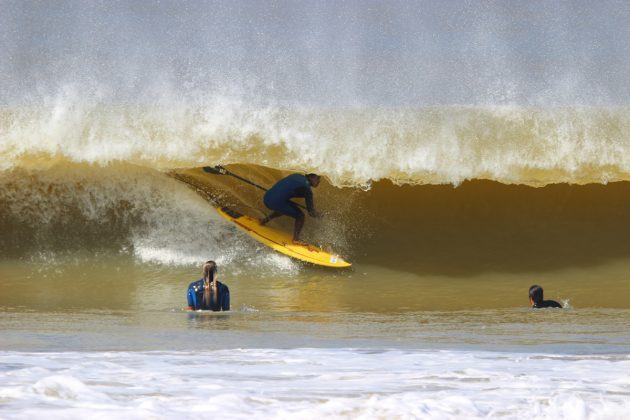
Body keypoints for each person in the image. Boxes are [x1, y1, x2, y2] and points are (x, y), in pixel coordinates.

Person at [259, 173, 322, 245]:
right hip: (275, 202)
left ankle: (264, 221)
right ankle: (296, 239)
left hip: (267, 197)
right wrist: (320, 215)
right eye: (318, 178)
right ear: (311, 177)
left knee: (285, 207)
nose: (319, 181)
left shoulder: (296, 175)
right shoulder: (307, 190)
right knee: (301, 216)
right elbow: (311, 213)